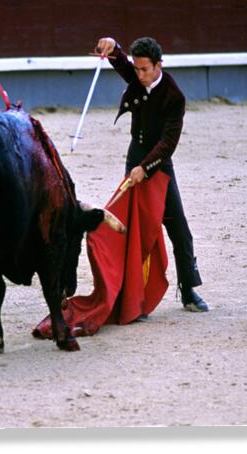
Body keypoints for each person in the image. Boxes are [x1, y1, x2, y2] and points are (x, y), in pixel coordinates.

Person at [94, 36, 208, 312]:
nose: (140, 75)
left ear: (159, 65)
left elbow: (168, 143)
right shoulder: (136, 76)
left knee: (177, 226)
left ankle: (188, 289)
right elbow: (120, 61)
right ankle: (129, 295)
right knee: (132, 228)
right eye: (137, 69)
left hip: (157, 163)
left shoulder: (174, 95)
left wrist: (145, 168)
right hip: (135, 156)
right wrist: (110, 45)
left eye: (145, 69)